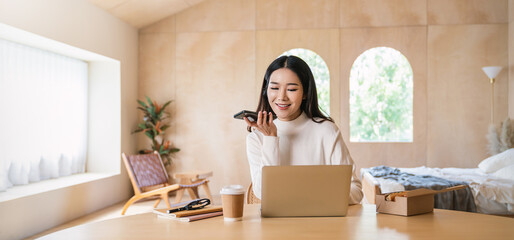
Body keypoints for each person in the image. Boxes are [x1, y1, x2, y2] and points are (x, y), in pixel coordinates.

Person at [244, 55, 363, 204]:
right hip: (276, 225)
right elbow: (263, 193)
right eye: (274, 88)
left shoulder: (327, 131)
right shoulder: (257, 138)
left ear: (305, 93)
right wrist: (270, 139)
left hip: (322, 223)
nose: (282, 97)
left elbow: (355, 190)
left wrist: (316, 198)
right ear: (265, 91)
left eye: (291, 89)